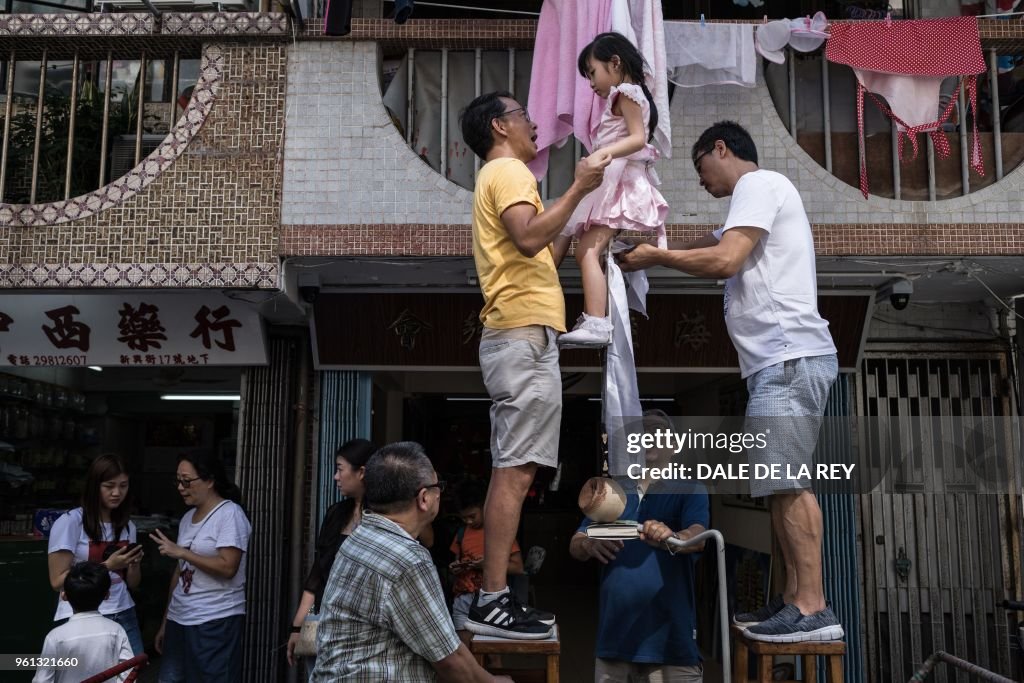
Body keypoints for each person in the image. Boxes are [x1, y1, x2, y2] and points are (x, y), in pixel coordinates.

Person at [617, 121, 843, 643]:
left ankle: (813, 606)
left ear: (722, 149)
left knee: (786, 482)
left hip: (788, 359)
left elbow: (723, 259)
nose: (701, 182)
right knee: (777, 485)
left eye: (701, 168)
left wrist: (656, 257)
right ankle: (793, 601)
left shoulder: (758, 185)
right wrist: (650, 243)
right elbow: (712, 241)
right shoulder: (752, 201)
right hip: (778, 363)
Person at [458, 89, 607, 639]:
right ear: (501, 126)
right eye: (523, 114)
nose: (533, 123)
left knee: (516, 469)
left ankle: (494, 598)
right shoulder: (511, 173)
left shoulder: (503, 178)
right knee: (515, 471)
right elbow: (527, 240)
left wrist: (574, 218)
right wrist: (579, 186)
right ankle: (494, 598)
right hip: (520, 334)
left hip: (521, 332)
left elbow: (542, 255)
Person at [312, 442, 512, 682]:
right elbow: (449, 659)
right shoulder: (407, 559)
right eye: (439, 486)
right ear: (424, 498)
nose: (441, 493)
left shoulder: (361, 536)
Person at [570, 410, 708, 682]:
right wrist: (589, 544)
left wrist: (672, 537)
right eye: (643, 433)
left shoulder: (691, 489)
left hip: (671, 643)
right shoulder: (613, 491)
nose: (651, 438)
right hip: (615, 641)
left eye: (659, 432)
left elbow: (699, 537)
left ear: (674, 444)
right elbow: (575, 544)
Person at [557, 32, 669, 349]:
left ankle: (596, 322)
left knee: (586, 250)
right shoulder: (626, 94)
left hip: (616, 182)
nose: (591, 83)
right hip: (612, 179)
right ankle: (588, 310)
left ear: (615, 63)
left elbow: (637, 138)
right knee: (577, 241)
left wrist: (600, 155)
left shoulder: (625, 92)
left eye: (592, 72)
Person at [151, 452, 251, 682]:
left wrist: (183, 552)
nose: (180, 487)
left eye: (187, 481)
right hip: (180, 617)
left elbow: (228, 568)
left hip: (215, 619)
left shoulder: (230, 514)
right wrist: (166, 620)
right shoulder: (187, 517)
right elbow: (180, 571)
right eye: (177, 481)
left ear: (209, 480)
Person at [286, 438, 375, 675]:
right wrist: (297, 627)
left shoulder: (384, 517)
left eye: (340, 469)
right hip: (326, 624)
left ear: (362, 472)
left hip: (364, 630)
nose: (335, 476)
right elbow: (318, 573)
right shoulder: (337, 513)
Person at [46, 453, 144, 655]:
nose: (117, 492)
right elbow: (57, 582)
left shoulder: (127, 526)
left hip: (123, 610)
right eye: (109, 486)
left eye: (123, 486)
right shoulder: (70, 522)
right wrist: (107, 566)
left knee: (130, 673)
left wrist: (133, 564)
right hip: (80, 614)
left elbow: (133, 584)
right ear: (94, 486)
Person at [448, 478, 534, 645]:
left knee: (492, 653)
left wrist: (486, 564)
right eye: (463, 518)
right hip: (463, 601)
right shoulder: (461, 534)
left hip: (493, 603)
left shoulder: (499, 532)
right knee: (465, 652)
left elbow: (517, 567)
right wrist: (456, 567)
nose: (468, 522)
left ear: (484, 506)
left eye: (472, 516)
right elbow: (455, 563)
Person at [34, 561, 135, 683]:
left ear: (63, 595)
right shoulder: (116, 630)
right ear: (107, 595)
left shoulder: (55, 637)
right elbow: (129, 671)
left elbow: (42, 680)